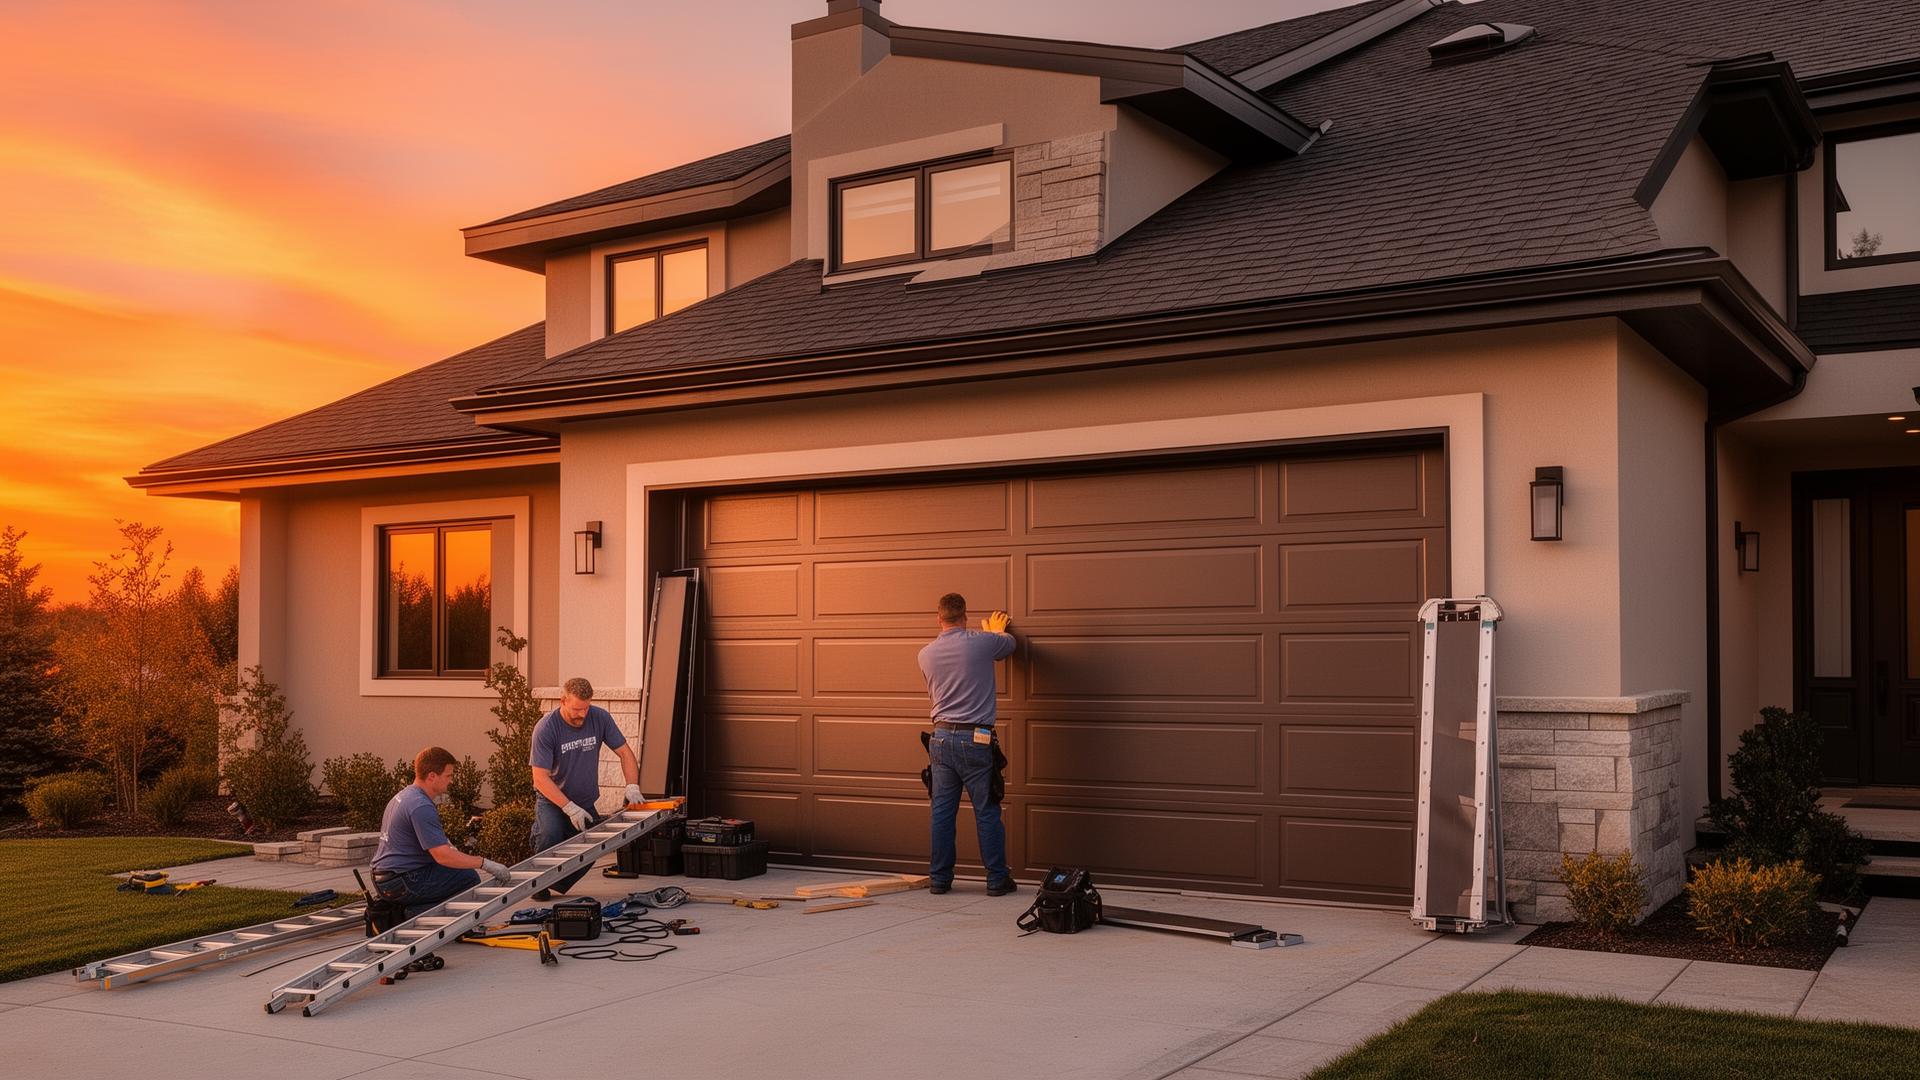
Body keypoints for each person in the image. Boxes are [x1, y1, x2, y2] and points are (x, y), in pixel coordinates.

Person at [918, 592, 1018, 896]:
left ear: (939, 618)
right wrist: (996, 632)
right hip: (976, 739)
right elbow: (1010, 646)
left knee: (942, 812)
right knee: (986, 810)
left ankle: (939, 880)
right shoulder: (982, 642)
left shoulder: (925, 654)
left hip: (941, 738)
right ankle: (997, 880)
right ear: (965, 615)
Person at [529, 676, 643, 900]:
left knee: (591, 849)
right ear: (563, 701)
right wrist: (569, 808)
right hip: (552, 801)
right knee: (549, 836)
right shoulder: (546, 728)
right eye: (577, 709)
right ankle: (537, 883)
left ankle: (555, 882)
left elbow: (625, 753)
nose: (582, 714)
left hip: (585, 799)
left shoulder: (599, 718)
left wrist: (632, 785)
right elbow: (540, 778)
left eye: (586, 707)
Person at [370, 746, 512, 916]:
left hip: (385, 879)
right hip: (402, 882)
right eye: (448, 775)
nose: (451, 781)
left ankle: (408, 908)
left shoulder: (404, 796)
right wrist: (485, 863)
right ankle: (411, 914)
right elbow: (442, 856)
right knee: (468, 878)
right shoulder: (420, 805)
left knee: (456, 874)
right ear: (432, 776)